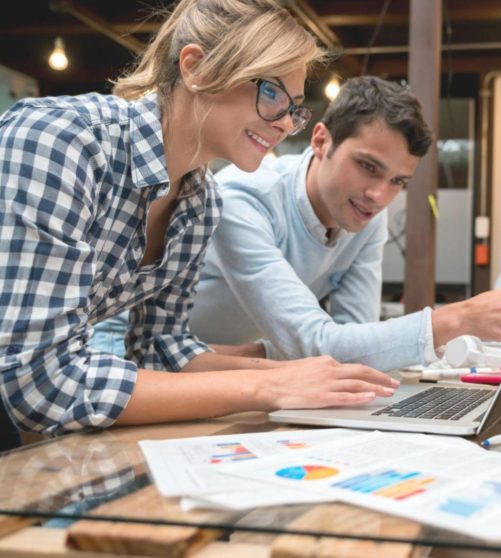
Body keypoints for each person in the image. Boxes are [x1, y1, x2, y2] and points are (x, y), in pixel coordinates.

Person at [0, 0, 398, 439]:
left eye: (295, 109)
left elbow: (160, 349)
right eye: (271, 94)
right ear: (197, 68)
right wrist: (265, 383)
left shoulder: (200, 202)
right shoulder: (60, 141)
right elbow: (38, 378)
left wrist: (302, 372)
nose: (286, 125)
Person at [187, 76, 501, 371]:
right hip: (180, 377)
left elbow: (353, 343)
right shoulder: (244, 198)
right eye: (368, 167)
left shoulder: (365, 215)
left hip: (258, 374)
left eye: (398, 182)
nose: (379, 195)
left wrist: (264, 352)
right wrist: (456, 318)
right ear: (322, 140)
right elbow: (318, 343)